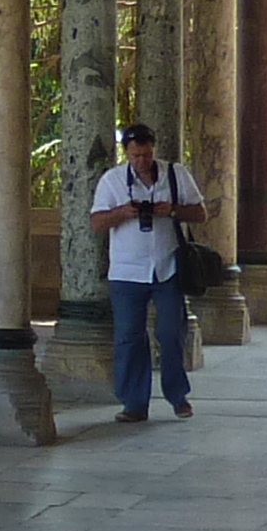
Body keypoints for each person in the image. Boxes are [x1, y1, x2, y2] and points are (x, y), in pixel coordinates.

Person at [89, 119, 203, 423]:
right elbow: (97, 223)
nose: (141, 161)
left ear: (154, 150)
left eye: (146, 155)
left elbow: (201, 212)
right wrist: (123, 212)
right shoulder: (112, 180)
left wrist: (173, 210)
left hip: (167, 267)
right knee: (128, 337)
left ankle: (178, 395)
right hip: (127, 272)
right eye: (135, 156)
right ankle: (134, 402)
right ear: (126, 153)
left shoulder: (176, 175)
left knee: (170, 334)